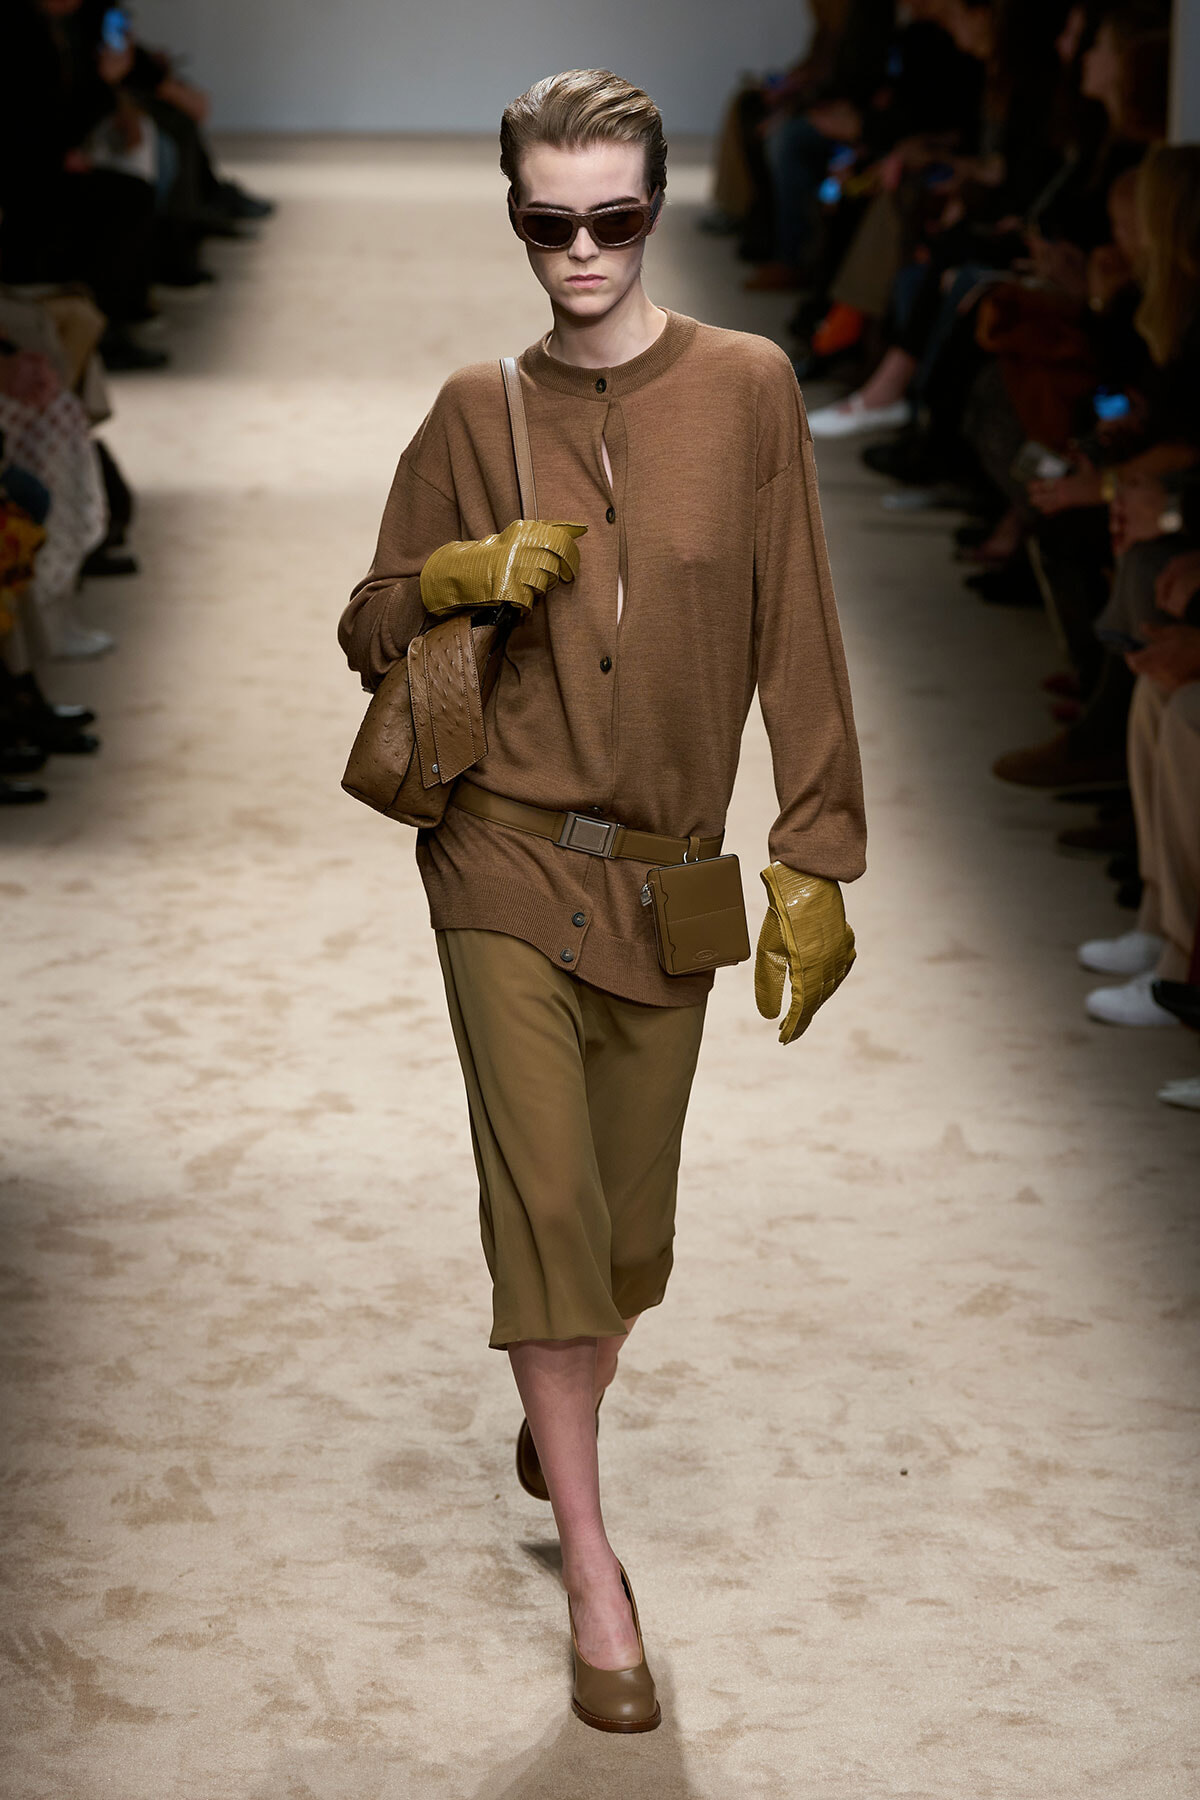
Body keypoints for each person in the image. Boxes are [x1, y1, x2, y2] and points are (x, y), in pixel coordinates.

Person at [339, 69, 866, 1733]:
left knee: (628, 1249)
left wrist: (817, 853)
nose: (581, 250)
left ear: (657, 207)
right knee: (549, 1219)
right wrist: (448, 575)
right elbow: (366, 623)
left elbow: (799, 626)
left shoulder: (750, 391)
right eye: (548, 220)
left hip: (672, 884)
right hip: (497, 857)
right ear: (514, 212)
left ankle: (559, 1394)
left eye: (614, 219)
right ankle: (592, 1567)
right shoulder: (470, 410)